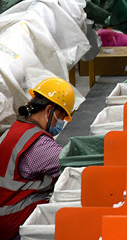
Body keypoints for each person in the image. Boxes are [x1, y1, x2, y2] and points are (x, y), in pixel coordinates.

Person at [0, 77, 75, 238]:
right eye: (61, 116)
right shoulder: (37, 144)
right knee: (68, 200)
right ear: (49, 110)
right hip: (12, 218)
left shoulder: (17, 129)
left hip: (5, 209)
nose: (61, 122)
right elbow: (70, 165)